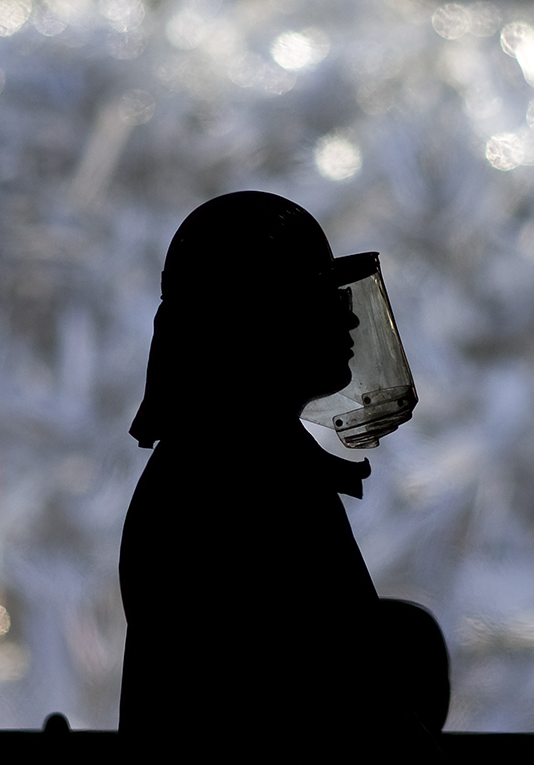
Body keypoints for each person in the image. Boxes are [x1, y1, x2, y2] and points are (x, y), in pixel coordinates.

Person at [119, 192, 446, 754]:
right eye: (318, 293)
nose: (346, 313)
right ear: (257, 318)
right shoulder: (248, 479)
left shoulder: (225, 459)